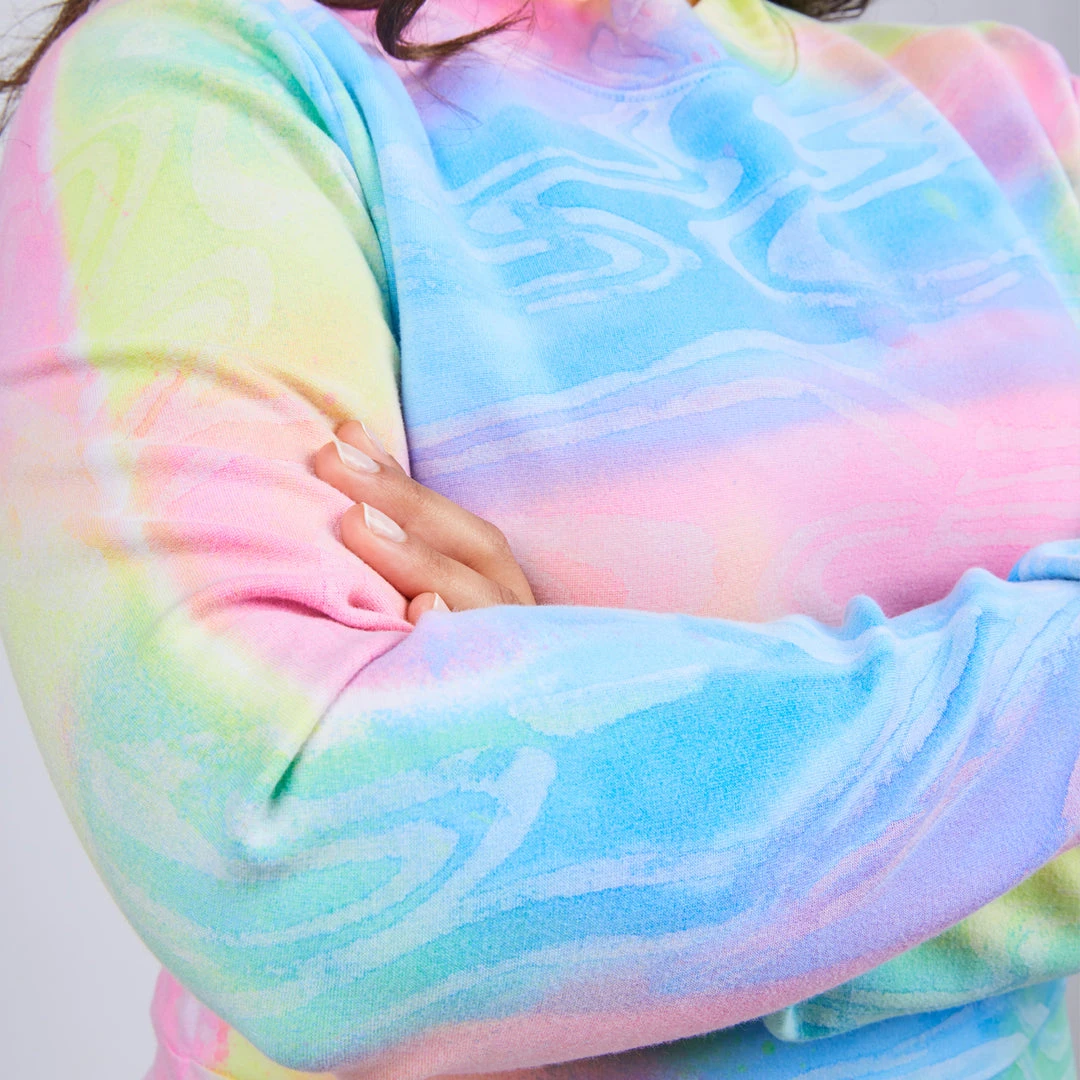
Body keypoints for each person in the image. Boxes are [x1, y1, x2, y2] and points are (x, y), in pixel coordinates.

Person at [0, 0, 1078, 1071]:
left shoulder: (1010, 105)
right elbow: (297, 881)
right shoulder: (198, 81)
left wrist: (558, 703)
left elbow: (486, 850)